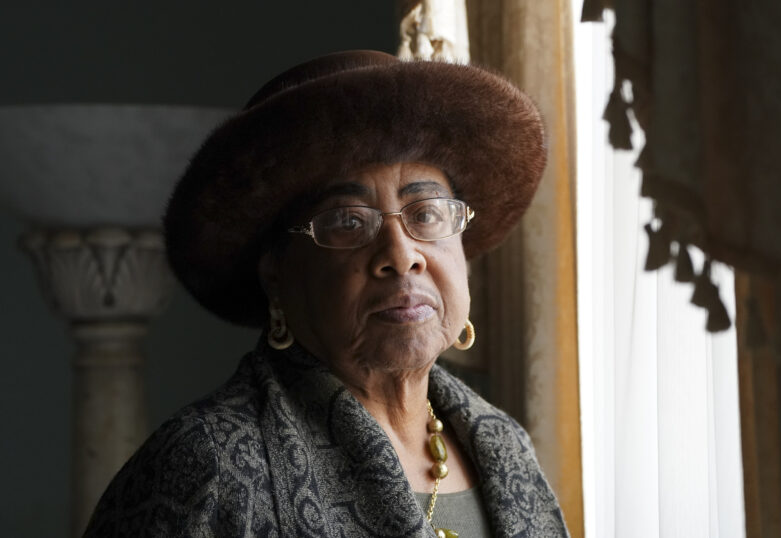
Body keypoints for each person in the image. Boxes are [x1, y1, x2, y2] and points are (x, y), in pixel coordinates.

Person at [84, 50, 568, 538]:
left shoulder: (504, 445)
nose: (401, 256)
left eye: (426, 214)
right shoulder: (204, 465)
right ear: (277, 275)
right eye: (348, 222)